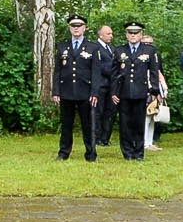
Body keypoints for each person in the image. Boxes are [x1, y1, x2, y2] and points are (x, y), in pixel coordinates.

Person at [51, 15, 105, 161]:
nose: (76, 28)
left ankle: (90, 154)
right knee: (66, 125)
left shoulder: (93, 47)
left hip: (85, 93)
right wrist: (56, 91)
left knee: (88, 125)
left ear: (84, 28)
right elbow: (57, 71)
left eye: (79, 26)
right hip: (66, 91)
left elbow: (96, 72)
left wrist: (95, 93)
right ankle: (63, 153)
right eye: (73, 26)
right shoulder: (62, 47)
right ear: (69, 28)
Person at [114, 21, 162, 160]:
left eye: (136, 33)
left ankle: (139, 152)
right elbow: (114, 74)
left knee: (139, 123)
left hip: (141, 92)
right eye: (130, 33)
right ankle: (127, 152)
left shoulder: (149, 50)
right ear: (126, 35)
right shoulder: (119, 50)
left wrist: (154, 91)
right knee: (125, 123)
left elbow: (154, 72)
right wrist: (113, 92)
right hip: (124, 92)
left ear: (141, 34)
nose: (133, 35)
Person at [93, 25, 119, 148]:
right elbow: (100, 67)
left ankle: (105, 138)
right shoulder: (95, 48)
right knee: (98, 112)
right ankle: (97, 138)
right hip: (100, 85)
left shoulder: (111, 49)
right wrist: (116, 73)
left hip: (112, 86)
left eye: (111, 33)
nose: (111, 36)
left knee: (110, 112)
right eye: (108, 34)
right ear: (101, 35)